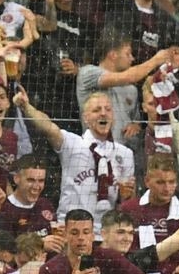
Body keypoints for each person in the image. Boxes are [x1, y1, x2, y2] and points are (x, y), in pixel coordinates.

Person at [15, 89, 135, 233]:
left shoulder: (125, 154)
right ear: (85, 118)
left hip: (106, 232)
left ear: (113, 116)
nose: (103, 113)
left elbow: (128, 200)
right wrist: (26, 107)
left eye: (108, 109)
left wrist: (126, 194)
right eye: (97, 110)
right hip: (71, 229)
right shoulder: (73, 143)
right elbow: (48, 127)